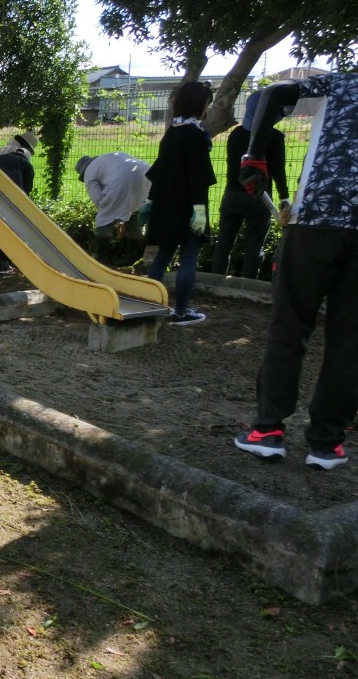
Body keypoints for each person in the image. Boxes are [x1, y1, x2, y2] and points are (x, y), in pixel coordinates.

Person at [233, 72, 358, 470]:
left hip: (316, 221)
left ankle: (267, 431)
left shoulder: (344, 85)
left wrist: (254, 155)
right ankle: (327, 443)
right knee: (351, 338)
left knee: (290, 326)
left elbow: (275, 93)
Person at [144, 81, 216, 326]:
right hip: (189, 207)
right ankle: (182, 312)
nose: (208, 108)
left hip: (166, 206)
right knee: (188, 259)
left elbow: (159, 171)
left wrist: (150, 200)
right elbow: (199, 177)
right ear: (199, 105)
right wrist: (199, 211)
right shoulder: (196, 135)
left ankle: (150, 306)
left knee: (162, 256)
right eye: (207, 103)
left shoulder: (171, 133)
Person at [210, 91, 291, 278]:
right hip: (260, 197)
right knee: (254, 246)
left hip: (232, 194)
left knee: (224, 243)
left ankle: (214, 281)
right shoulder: (274, 137)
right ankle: (248, 285)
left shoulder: (235, 134)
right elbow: (278, 171)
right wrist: (284, 198)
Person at [75, 152, 151, 265]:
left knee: (103, 221)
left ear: (82, 173)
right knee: (135, 212)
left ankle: (103, 259)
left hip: (121, 181)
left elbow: (99, 200)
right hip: (147, 176)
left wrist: (110, 214)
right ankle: (134, 259)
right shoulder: (108, 158)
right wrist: (121, 215)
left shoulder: (89, 173)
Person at [0, 132, 37, 274]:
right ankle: (5, 263)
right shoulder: (26, 165)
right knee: (10, 228)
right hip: (11, 199)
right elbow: (27, 189)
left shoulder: (0, 156)